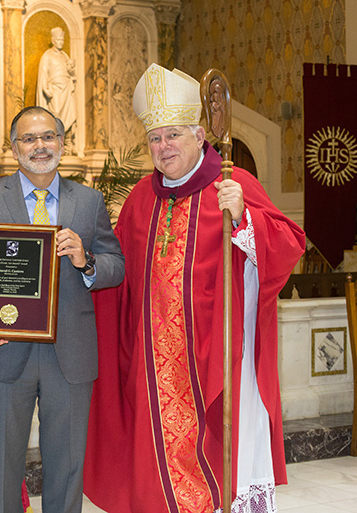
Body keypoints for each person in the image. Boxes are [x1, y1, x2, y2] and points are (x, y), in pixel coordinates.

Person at [83, 63, 306, 513]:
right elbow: (118, 277)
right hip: (152, 364)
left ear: (201, 135)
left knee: (221, 457)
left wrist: (245, 218)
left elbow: (290, 245)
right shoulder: (140, 201)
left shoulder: (232, 185)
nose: (163, 148)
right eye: (154, 138)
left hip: (217, 358)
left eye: (173, 136)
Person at [0, 106, 125, 513]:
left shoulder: (89, 200)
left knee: (66, 467)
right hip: (3, 348)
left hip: (70, 354)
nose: (40, 146)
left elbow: (115, 265)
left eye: (48, 137)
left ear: (62, 143)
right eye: (29, 139)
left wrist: (87, 261)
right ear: (14, 148)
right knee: (3, 466)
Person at [36, 27, 77, 134]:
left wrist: (72, 73)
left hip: (66, 87)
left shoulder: (65, 56)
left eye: (62, 40)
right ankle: (54, 135)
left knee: (69, 113)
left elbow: (70, 72)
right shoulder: (47, 55)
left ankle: (64, 138)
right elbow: (43, 73)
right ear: (53, 41)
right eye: (58, 40)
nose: (61, 43)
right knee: (56, 111)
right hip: (55, 88)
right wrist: (45, 88)